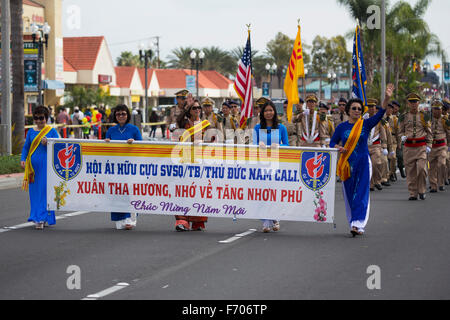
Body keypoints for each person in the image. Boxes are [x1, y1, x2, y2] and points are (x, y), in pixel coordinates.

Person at [330, 84, 394, 237]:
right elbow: (332, 143)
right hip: (346, 164)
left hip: (363, 163)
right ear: (348, 110)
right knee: (350, 193)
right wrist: (339, 148)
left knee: (361, 192)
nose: (357, 111)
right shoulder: (341, 127)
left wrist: (386, 98)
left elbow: (381, 113)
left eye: (359, 109)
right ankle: (353, 221)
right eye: (354, 108)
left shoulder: (365, 124)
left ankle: (357, 223)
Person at [21, 106, 60, 230]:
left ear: (46, 118)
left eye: (41, 118)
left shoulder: (51, 131)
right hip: (32, 168)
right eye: (36, 118)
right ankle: (36, 216)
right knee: (35, 193)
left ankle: (42, 218)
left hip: (46, 166)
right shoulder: (31, 132)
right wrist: (23, 159)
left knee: (44, 192)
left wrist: (48, 142)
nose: (38, 121)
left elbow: (59, 146)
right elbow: (26, 147)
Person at [252, 100, 289, 233]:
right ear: (262, 113)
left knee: (274, 191)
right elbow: (254, 144)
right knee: (262, 191)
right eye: (266, 111)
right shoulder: (257, 128)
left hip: (276, 163)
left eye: (271, 110)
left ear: (274, 112)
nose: (269, 113)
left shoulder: (281, 128)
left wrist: (278, 146)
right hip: (261, 164)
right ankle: (265, 221)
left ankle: (276, 217)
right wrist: (259, 146)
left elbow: (287, 145)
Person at [105, 104, 143, 230]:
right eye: (118, 114)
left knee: (129, 191)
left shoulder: (134, 129)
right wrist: (106, 143)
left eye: (123, 114)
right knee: (116, 192)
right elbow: (104, 149)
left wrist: (135, 143)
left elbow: (143, 147)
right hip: (115, 167)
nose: (121, 116)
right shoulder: (111, 130)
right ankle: (118, 218)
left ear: (127, 115)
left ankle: (130, 218)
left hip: (130, 167)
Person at [175, 101, 211, 232]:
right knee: (183, 191)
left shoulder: (205, 124)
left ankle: (197, 221)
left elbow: (212, 140)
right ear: (189, 110)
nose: (197, 109)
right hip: (184, 161)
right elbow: (177, 138)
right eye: (194, 108)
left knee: (198, 191)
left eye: (198, 107)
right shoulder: (183, 123)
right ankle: (182, 220)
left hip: (200, 162)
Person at [398, 93, 432, 200]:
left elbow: (429, 132)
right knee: (410, 171)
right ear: (408, 103)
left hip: (421, 146)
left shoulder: (424, 115)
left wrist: (429, 145)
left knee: (421, 169)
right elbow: (400, 131)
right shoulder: (403, 116)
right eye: (411, 102)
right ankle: (413, 193)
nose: (413, 104)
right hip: (408, 148)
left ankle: (422, 190)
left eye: (415, 102)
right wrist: (402, 136)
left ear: (418, 103)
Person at [366, 99, 388, 191]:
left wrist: (384, 146)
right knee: (368, 165)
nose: (371, 109)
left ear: (375, 108)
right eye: (369, 107)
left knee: (376, 164)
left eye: (373, 107)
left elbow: (383, 133)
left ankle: (378, 180)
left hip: (376, 146)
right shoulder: (363, 119)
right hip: (366, 146)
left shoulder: (379, 120)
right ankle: (371, 184)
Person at [428, 100, 450, 192]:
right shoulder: (427, 119)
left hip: (442, 146)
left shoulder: (445, 120)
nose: (437, 111)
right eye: (435, 109)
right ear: (432, 110)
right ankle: (433, 185)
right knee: (431, 166)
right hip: (431, 146)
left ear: (441, 110)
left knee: (442, 164)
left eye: (439, 109)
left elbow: (449, 133)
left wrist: (449, 145)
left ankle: (441, 183)